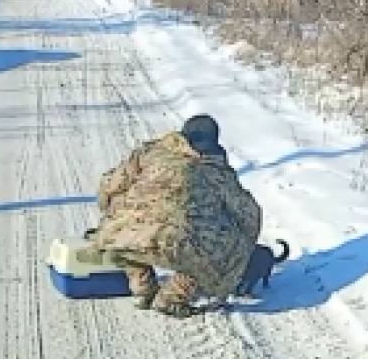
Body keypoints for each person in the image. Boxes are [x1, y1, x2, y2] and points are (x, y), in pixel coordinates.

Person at [82, 114, 261, 318]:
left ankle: (141, 286)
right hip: (180, 244)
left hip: (125, 234)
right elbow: (248, 214)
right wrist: (244, 245)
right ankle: (172, 296)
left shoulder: (149, 153)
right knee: (226, 250)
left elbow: (111, 184)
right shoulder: (217, 171)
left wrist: (110, 216)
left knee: (129, 237)